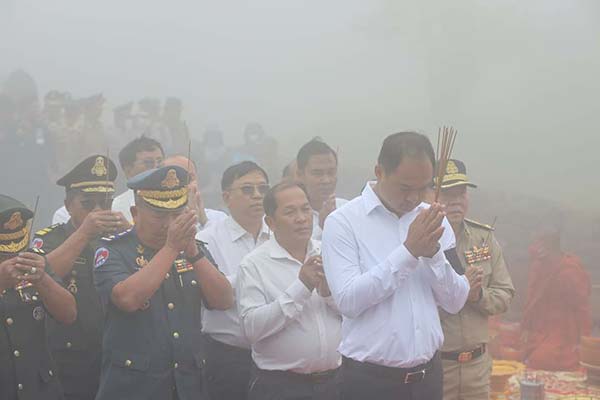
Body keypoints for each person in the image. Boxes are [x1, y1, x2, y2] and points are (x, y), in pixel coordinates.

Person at [321, 131, 469, 400]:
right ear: (379, 172)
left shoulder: (435, 220)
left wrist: (434, 256)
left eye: (423, 188)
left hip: (428, 379)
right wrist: (408, 252)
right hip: (370, 382)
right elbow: (348, 300)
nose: (414, 198)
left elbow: (456, 301)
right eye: (405, 188)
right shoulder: (343, 222)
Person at [93, 165, 234, 400]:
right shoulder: (113, 250)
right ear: (135, 213)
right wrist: (171, 248)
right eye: (159, 216)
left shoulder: (193, 249)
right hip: (135, 387)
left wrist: (194, 254)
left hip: (187, 384)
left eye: (177, 215)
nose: (170, 224)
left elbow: (224, 300)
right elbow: (127, 299)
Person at [32, 155, 129, 400]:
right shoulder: (51, 238)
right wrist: (84, 233)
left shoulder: (119, 238)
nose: (97, 211)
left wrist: (131, 234)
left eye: (105, 203)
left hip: (117, 356)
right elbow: (42, 275)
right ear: (68, 205)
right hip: (67, 358)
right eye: (88, 204)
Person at [237, 182, 342, 400]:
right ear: (271, 222)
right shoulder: (254, 264)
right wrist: (301, 287)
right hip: (281, 386)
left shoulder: (328, 251)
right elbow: (251, 329)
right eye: (290, 212)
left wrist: (328, 294)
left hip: (335, 382)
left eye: (305, 209)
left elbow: (354, 312)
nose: (301, 218)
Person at [436, 159, 515, 400]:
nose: (455, 201)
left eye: (461, 193)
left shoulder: (483, 239)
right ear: (432, 195)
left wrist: (478, 295)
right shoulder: (423, 241)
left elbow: (505, 294)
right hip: (438, 367)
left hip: (477, 368)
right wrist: (459, 292)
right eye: (448, 194)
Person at [197, 161, 271, 400]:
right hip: (228, 355)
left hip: (276, 356)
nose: (257, 196)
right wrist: (260, 274)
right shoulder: (206, 239)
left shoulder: (280, 235)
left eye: (263, 189)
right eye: (247, 189)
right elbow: (215, 296)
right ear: (226, 197)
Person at [0, 194, 77, 400]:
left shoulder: (34, 259)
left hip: (39, 387)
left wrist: (42, 279)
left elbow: (68, 314)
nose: (12, 259)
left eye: (17, 251)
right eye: (4, 254)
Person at [521, 226, 591, 371]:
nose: (532, 248)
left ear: (549, 246)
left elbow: (582, 310)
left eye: (536, 243)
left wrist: (583, 343)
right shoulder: (538, 266)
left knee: (541, 359)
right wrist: (525, 328)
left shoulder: (569, 271)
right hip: (538, 332)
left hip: (563, 335)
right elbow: (531, 301)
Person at [52, 135, 164, 224]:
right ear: (128, 170)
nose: (156, 168)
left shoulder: (174, 200)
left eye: (160, 162)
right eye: (148, 163)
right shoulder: (117, 207)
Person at [296, 139, 347, 240]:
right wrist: (322, 227)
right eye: (318, 173)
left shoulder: (348, 209)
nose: (326, 180)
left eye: (331, 172)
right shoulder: (289, 215)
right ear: (300, 175)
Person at [163, 155, 228, 231]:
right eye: (175, 180)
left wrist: (203, 221)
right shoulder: (156, 222)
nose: (185, 186)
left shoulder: (219, 219)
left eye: (190, 178)